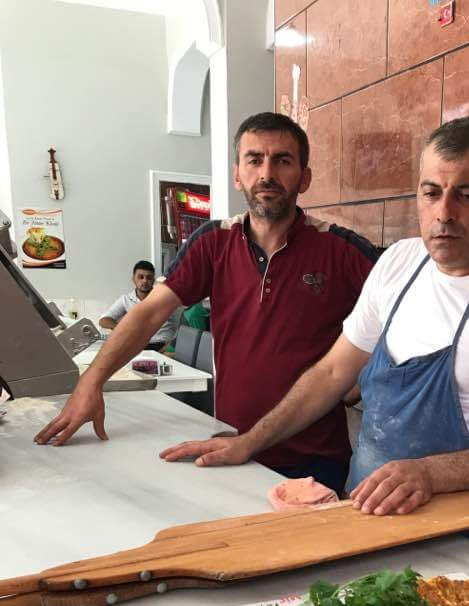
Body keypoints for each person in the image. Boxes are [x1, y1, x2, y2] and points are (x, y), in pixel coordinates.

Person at [160, 117, 469, 516]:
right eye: (431, 193)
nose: (444, 214)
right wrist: (250, 442)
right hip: (360, 507)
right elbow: (332, 374)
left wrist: (429, 473)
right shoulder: (399, 262)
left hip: (455, 526)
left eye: (467, 195)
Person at [35, 112, 379, 495]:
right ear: (237, 174)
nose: (267, 173)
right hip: (233, 445)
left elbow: (404, 313)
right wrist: (91, 382)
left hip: (315, 458)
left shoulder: (341, 249)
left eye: (283, 160)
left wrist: (360, 380)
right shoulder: (214, 242)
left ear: (305, 176)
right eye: (254, 159)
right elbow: (150, 312)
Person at [98, 261, 181, 350]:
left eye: (149, 278)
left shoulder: (164, 298)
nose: (144, 281)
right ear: (133, 279)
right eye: (140, 277)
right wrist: (123, 330)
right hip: (136, 346)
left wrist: (171, 346)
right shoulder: (126, 300)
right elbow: (103, 320)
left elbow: (181, 322)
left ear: (153, 280)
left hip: (163, 345)